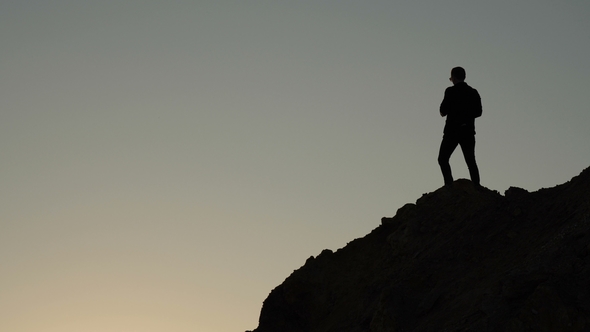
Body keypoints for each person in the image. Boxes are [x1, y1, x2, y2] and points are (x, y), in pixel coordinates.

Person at [437, 66, 482, 188]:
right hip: (467, 130)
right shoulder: (473, 92)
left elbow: (443, 110)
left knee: (443, 158)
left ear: (453, 78)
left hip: (452, 131)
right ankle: (476, 186)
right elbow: (479, 112)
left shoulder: (450, 91)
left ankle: (449, 185)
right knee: (470, 161)